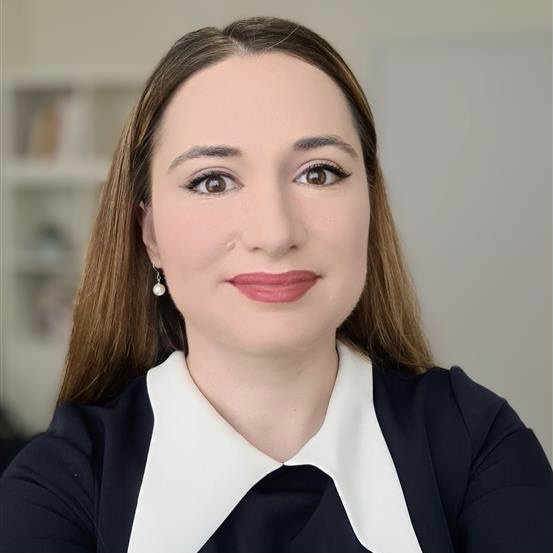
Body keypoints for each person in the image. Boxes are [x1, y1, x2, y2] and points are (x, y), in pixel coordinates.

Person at [0, 15, 551, 553]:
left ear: (370, 206)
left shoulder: (476, 442)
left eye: (318, 173)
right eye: (213, 181)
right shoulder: (57, 487)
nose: (275, 232)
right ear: (150, 233)